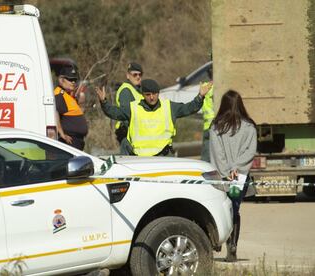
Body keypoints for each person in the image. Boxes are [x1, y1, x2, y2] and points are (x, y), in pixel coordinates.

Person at [96, 79, 211, 156]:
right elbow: (113, 112)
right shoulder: (133, 108)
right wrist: (104, 102)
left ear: (158, 93)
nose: (152, 97)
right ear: (143, 95)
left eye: (154, 94)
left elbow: (189, 108)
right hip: (140, 160)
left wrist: (200, 96)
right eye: (148, 94)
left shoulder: (169, 107)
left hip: (164, 157)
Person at [209, 90, 257, 262]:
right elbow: (250, 151)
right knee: (234, 210)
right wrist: (237, 168)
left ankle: (218, 241)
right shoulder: (249, 127)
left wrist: (226, 171)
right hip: (239, 177)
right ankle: (232, 247)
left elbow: (217, 152)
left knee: (219, 208)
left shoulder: (216, 127)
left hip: (221, 177)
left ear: (223, 105)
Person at [54, 66, 88, 150]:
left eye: (75, 80)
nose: (73, 82)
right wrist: (61, 133)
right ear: (61, 80)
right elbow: (55, 112)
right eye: (70, 79)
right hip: (70, 141)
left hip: (76, 140)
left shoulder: (68, 94)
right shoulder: (59, 94)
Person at [114, 62, 144, 154]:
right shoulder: (126, 91)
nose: (138, 77)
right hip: (127, 135)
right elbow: (127, 115)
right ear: (128, 75)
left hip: (136, 135)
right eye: (135, 74)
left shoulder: (138, 90)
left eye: (140, 74)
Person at [200, 65, 215, 162]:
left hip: (207, 127)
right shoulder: (217, 87)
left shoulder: (204, 87)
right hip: (216, 126)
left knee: (206, 158)